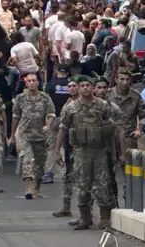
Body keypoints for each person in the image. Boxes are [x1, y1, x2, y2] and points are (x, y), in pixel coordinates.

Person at [56, 75, 116, 230]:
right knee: (83, 185)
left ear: (93, 87)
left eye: (88, 85)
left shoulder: (103, 105)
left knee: (102, 185)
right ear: (79, 87)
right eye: (82, 85)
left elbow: (113, 127)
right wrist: (57, 150)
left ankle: (105, 218)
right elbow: (62, 128)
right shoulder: (71, 108)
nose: (85, 88)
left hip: (100, 151)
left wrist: (114, 152)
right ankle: (85, 218)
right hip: (81, 152)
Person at [9, 72, 56, 199]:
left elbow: (51, 113)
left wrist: (48, 125)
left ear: (38, 82)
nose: (31, 83)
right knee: (28, 160)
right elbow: (15, 117)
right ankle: (28, 188)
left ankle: (37, 187)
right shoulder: (20, 98)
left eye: (34, 80)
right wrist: (12, 136)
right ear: (26, 83)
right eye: (29, 81)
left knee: (40, 165)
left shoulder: (45, 97)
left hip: (41, 135)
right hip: (26, 135)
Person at [106, 68, 145, 166]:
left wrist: (139, 130)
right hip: (109, 137)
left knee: (130, 166)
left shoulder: (136, 96)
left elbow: (144, 115)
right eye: (122, 79)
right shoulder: (107, 95)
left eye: (127, 79)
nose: (125, 82)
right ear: (116, 79)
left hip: (129, 137)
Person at [51, 77, 79, 220]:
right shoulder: (67, 104)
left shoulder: (89, 104)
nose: (72, 88)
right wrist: (57, 150)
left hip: (85, 146)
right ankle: (66, 207)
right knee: (67, 177)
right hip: (70, 145)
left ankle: (85, 212)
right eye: (70, 86)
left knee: (84, 180)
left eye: (75, 86)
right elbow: (62, 128)